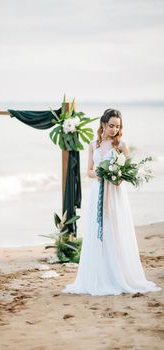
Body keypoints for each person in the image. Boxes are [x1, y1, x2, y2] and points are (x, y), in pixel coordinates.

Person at [61, 108, 162, 296]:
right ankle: (99, 274)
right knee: (98, 230)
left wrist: (118, 175)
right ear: (103, 124)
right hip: (98, 192)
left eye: (118, 126)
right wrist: (101, 174)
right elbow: (89, 171)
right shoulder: (93, 145)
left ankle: (119, 273)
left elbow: (129, 169)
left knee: (115, 229)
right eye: (111, 125)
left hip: (115, 194)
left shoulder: (122, 145)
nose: (114, 129)